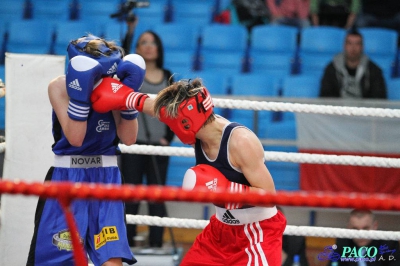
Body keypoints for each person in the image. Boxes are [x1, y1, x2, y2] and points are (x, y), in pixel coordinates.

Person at [89, 77, 287, 265]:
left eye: (174, 120)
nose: (169, 124)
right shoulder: (198, 128)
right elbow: (157, 107)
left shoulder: (241, 142)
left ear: (186, 122)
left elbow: (269, 196)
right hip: (220, 230)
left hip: (257, 232)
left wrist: (226, 189)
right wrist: (126, 97)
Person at [26, 34, 146, 266]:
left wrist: (126, 99)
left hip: (106, 177)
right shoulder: (59, 87)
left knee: (112, 259)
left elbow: (129, 138)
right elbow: (75, 138)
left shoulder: (114, 85)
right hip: (67, 177)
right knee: (58, 258)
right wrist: (81, 96)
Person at [119, 30, 175, 248]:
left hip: (159, 148)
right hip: (133, 145)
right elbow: (121, 61)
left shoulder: (168, 75)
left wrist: (167, 139)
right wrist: (129, 31)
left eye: (153, 42)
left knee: (156, 197)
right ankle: (126, 245)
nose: (149, 46)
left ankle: (156, 246)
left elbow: (174, 110)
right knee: (131, 196)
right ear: (137, 49)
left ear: (159, 48)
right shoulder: (132, 75)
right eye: (143, 42)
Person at [319, 29, 387, 99]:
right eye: (350, 43)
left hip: (364, 109)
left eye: (357, 44)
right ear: (344, 46)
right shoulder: (331, 69)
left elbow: (379, 98)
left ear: (362, 47)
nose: (353, 48)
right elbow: (325, 97)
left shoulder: (374, 70)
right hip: (339, 109)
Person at [327, 209, 400, 266]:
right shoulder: (342, 242)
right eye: (355, 229)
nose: (360, 234)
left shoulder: (389, 243)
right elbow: (333, 264)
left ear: (375, 226)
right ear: (348, 228)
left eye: (365, 228)